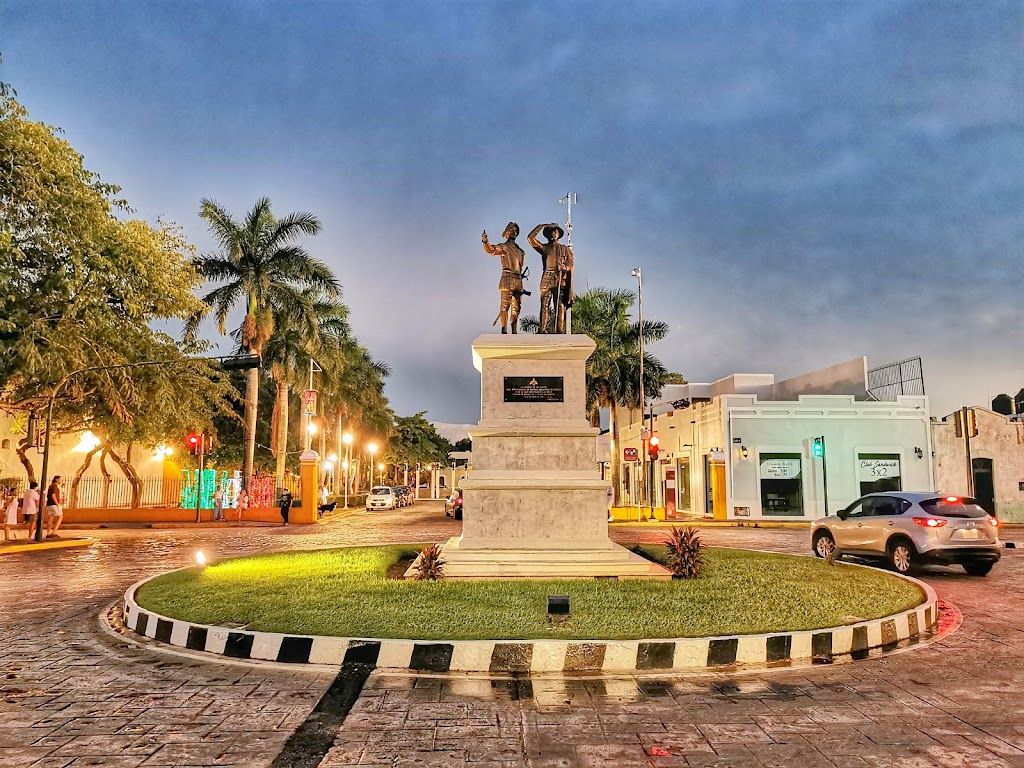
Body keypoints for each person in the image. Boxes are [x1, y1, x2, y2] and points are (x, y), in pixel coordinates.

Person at [482, 222, 529, 334]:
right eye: (511, 230)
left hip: (518, 280)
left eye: (515, 230)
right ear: (506, 234)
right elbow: (491, 250)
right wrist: (485, 242)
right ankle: (504, 331)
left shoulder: (521, 251)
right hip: (507, 278)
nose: (514, 232)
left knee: (516, 309)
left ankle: (514, 331)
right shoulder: (504, 247)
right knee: (505, 307)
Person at [528, 223, 574, 333]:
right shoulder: (544, 248)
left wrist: (564, 267)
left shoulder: (565, 249)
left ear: (559, 234)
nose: (553, 233)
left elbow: (570, 263)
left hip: (559, 279)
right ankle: (542, 329)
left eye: (555, 231)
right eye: (551, 232)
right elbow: (530, 238)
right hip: (547, 278)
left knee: (559, 305)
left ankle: (559, 330)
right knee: (544, 305)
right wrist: (540, 226)